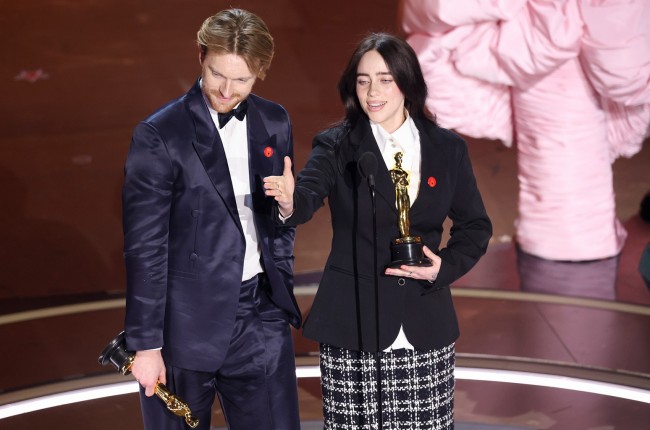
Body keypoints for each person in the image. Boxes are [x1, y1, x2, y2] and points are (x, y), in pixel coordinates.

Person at [265, 33, 492, 429]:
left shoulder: (446, 148)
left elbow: (475, 226)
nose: (373, 92)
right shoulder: (337, 145)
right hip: (353, 323)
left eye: (386, 80)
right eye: (363, 80)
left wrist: (444, 267)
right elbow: (308, 196)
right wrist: (288, 201)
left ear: (407, 83)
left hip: (425, 321)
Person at [122, 8, 301, 430]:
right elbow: (145, 246)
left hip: (260, 317)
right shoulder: (160, 134)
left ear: (260, 72)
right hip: (183, 327)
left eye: (242, 80)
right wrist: (146, 345)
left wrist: (287, 210)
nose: (226, 90)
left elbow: (277, 222)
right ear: (200, 56)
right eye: (217, 73)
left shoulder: (274, 120)